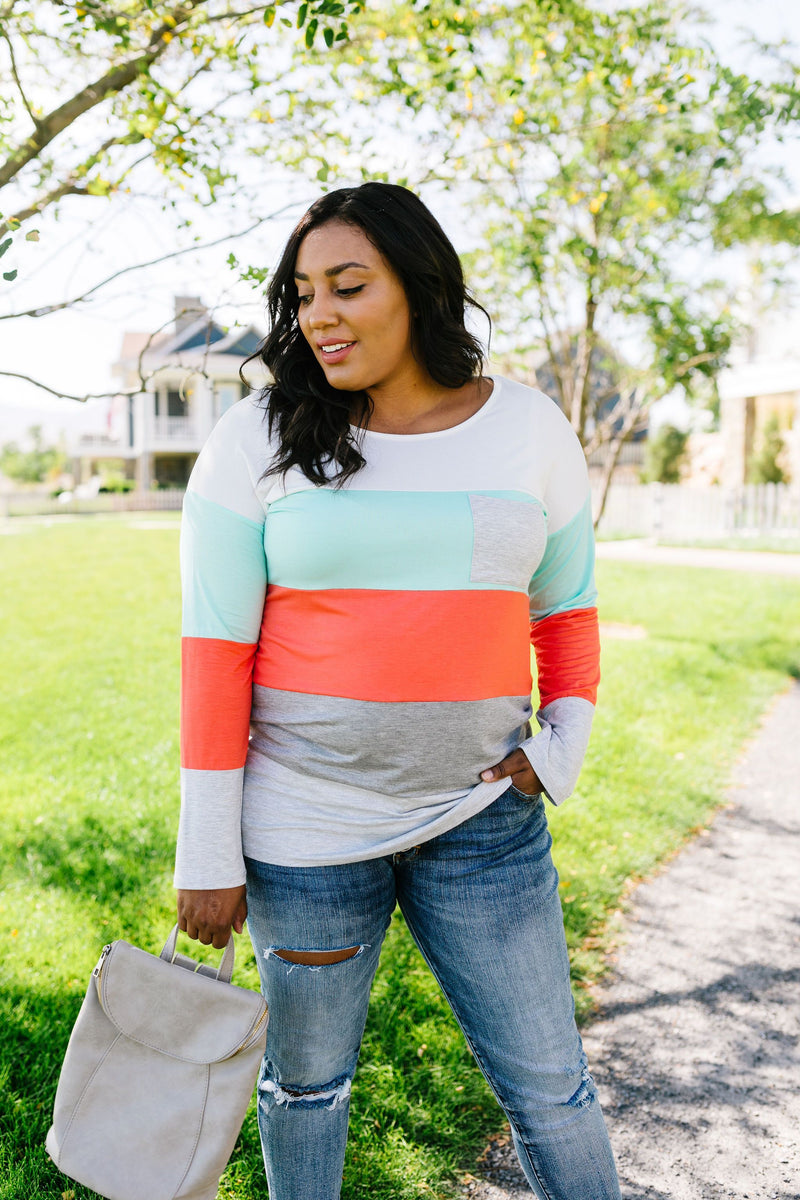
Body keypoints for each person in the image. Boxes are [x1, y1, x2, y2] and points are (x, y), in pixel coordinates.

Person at [175, 181, 621, 1200]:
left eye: (346, 285)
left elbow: (566, 608)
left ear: (418, 288)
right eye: (302, 294)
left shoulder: (529, 427)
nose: (317, 315)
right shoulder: (255, 438)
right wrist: (206, 850)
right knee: (305, 1089)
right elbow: (213, 654)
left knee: (551, 1089)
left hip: (481, 823)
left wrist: (559, 750)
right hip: (304, 834)